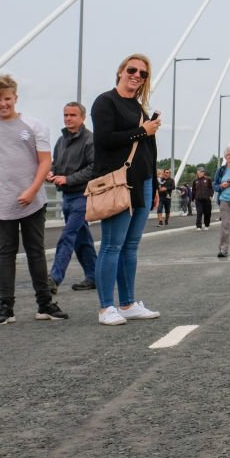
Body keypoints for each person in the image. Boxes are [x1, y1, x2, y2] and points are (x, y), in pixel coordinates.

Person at [0, 75, 68, 325]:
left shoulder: (33, 125)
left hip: (32, 201)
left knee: (35, 252)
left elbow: (45, 160)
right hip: (1, 202)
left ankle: (45, 304)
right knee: (6, 253)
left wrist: (32, 190)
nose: (2, 104)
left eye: (7, 99)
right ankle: (6, 308)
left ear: (15, 98)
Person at [91, 54, 162, 325]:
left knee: (131, 245)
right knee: (112, 245)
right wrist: (142, 131)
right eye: (132, 70)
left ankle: (128, 303)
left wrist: (154, 185)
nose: (136, 76)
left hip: (142, 182)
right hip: (117, 182)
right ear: (120, 71)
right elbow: (104, 140)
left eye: (142, 74)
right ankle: (105, 307)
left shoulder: (139, 108)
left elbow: (149, 151)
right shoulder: (105, 102)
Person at [46, 101, 98, 292]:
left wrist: (68, 179)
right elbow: (55, 163)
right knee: (81, 239)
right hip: (67, 197)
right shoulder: (62, 141)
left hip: (83, 195)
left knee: (68, 235)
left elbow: (94, 168)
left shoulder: (90, 140)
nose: (68, 118)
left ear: (83, 118)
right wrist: (51, 172)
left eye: (72, 115)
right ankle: (94, 276)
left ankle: (54, 277)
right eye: (66, 115)